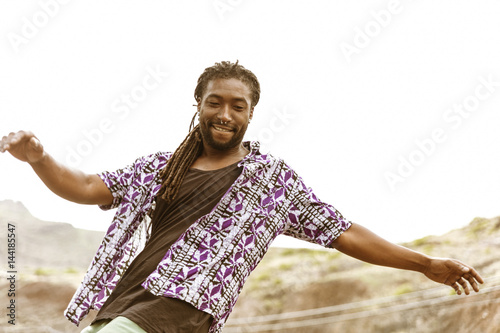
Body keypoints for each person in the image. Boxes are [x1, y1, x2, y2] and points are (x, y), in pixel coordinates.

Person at [0, 61, 484, 333]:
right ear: (199, 105)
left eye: (238, 105)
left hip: (180, 311)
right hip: (119, 303)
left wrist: (424, 264)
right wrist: (39, 157)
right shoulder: (160, 168)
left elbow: (344, 232)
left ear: (251, 114)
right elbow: (85, 187)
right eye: (215, 101)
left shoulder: (272, 182)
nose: (225, 113)